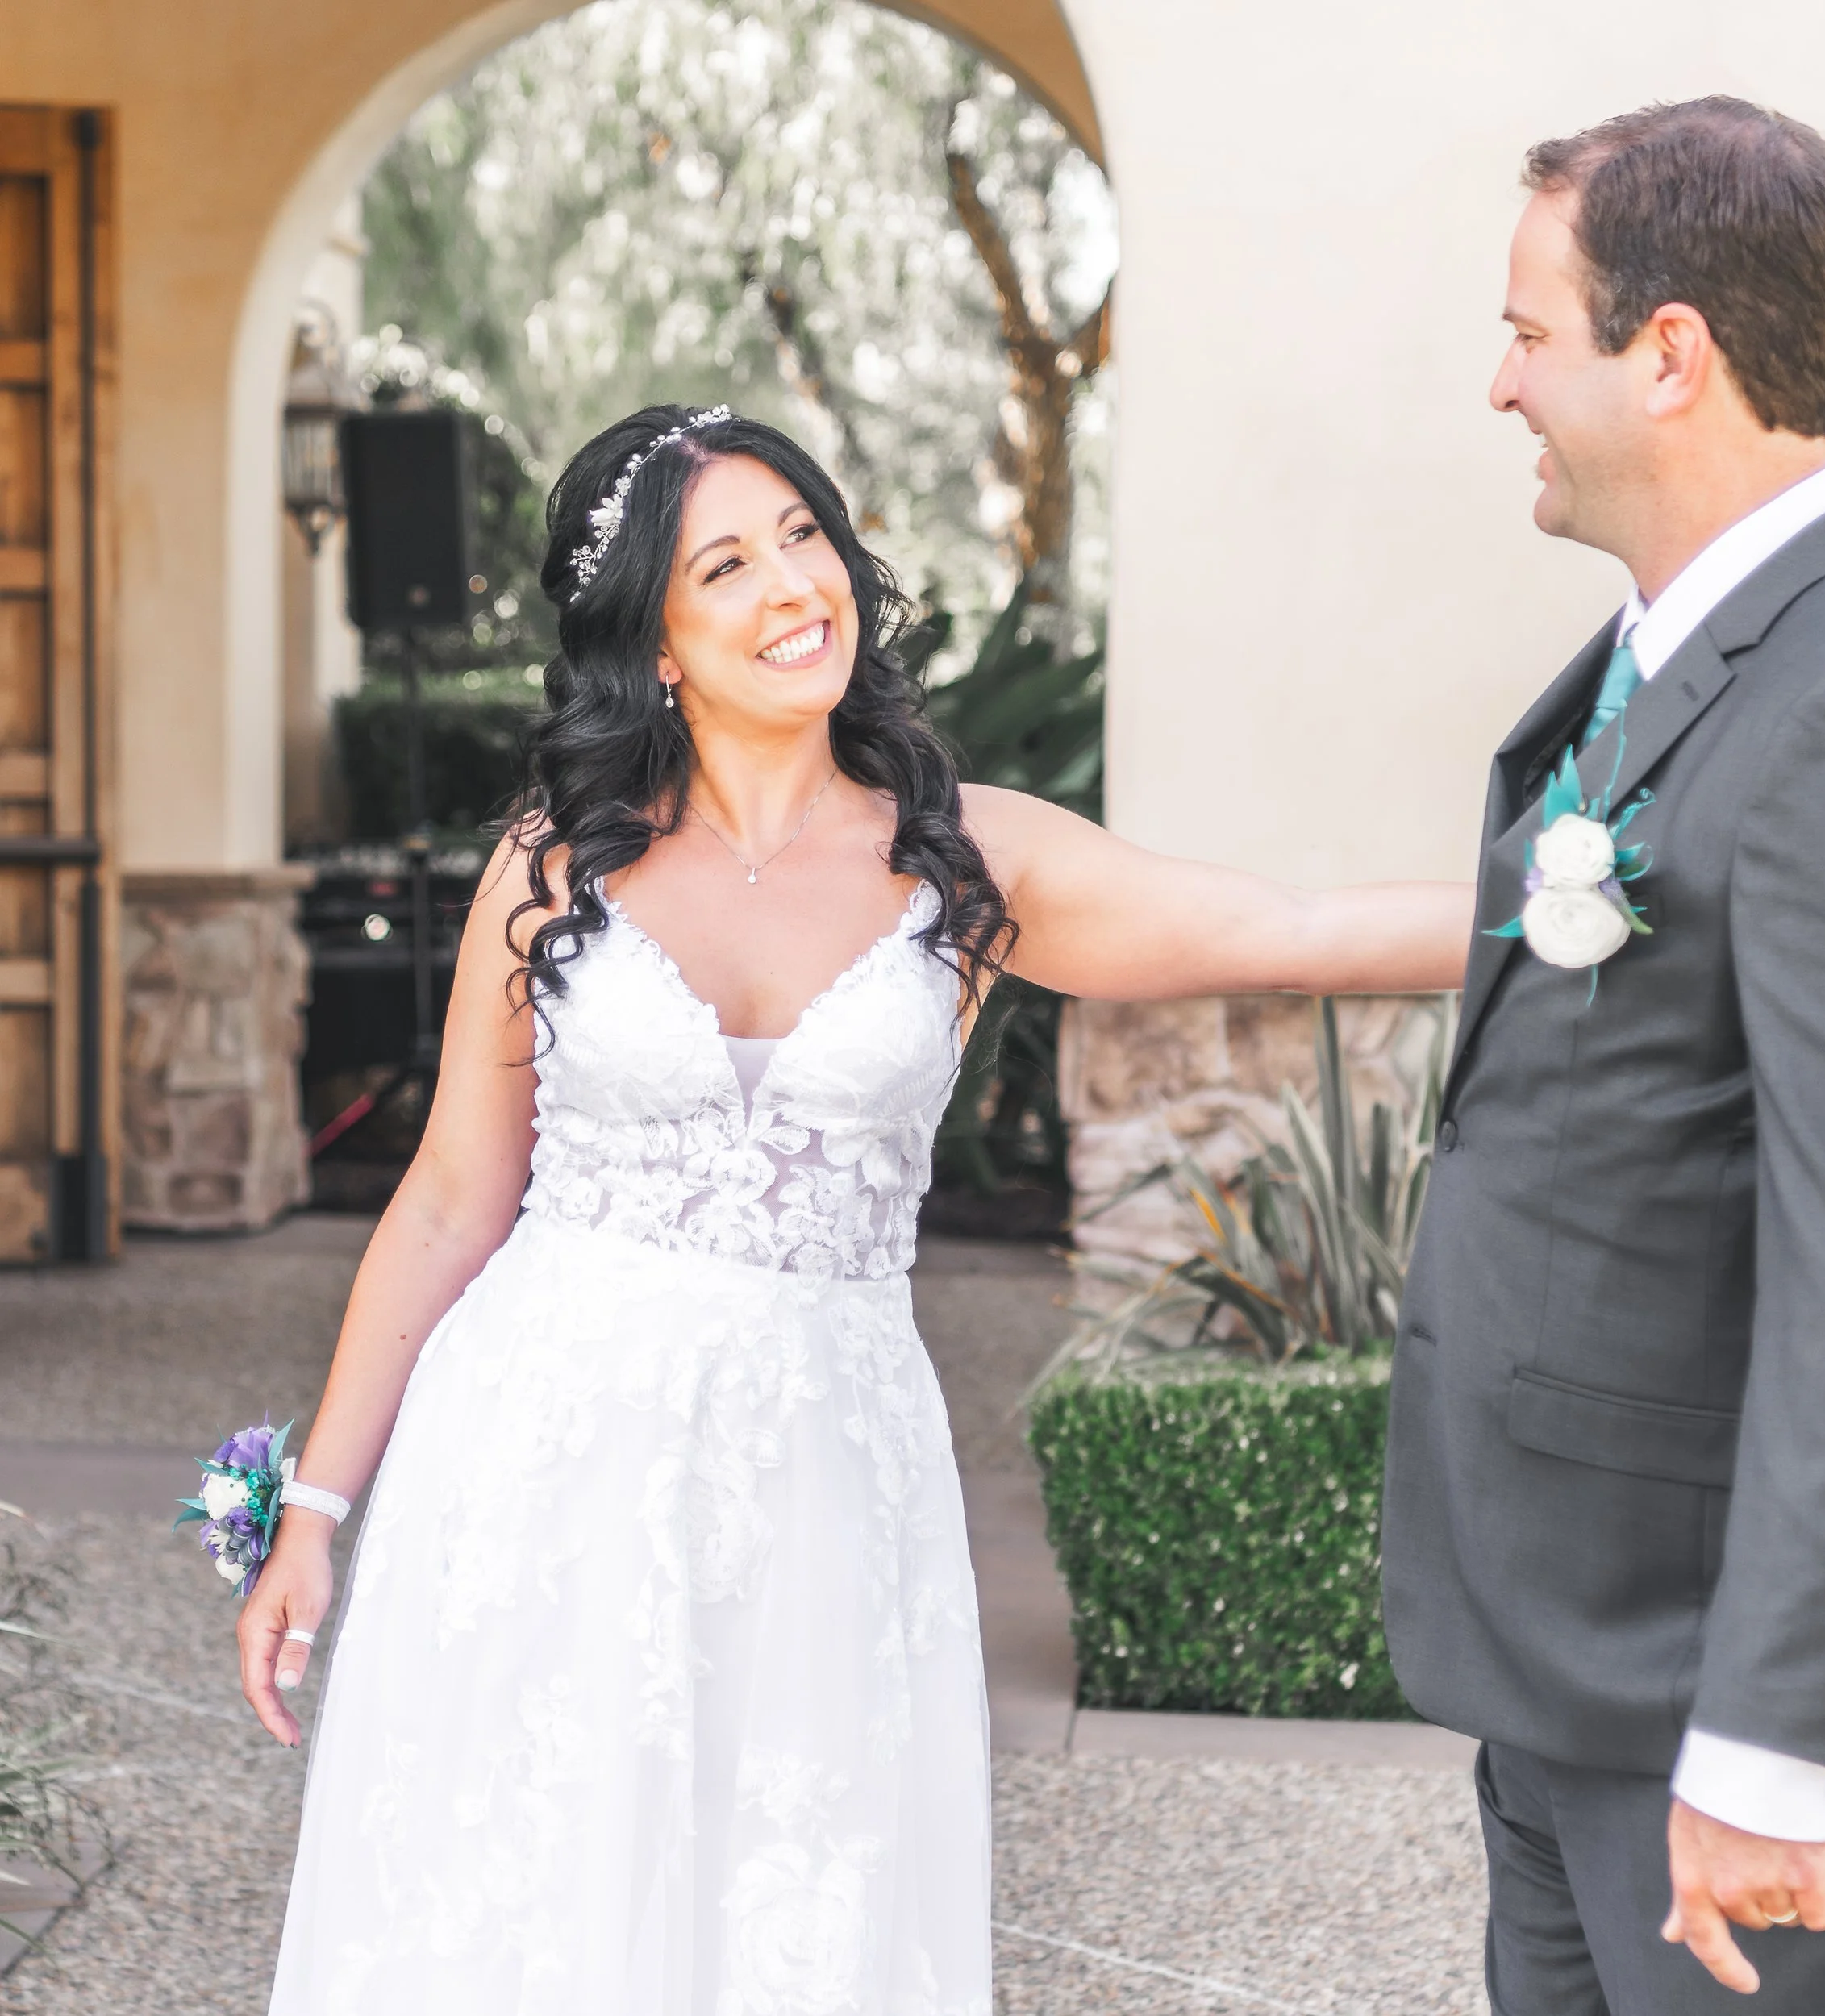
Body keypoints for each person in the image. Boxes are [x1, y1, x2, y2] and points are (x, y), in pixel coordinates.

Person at [242, 402, 1470, 2012]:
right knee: (530, 1901)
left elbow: (1289, 925)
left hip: (825, 1473)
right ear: (657, 643)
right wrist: (316, 1512)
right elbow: (450, 1198)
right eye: (728, 565)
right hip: (547, 1460)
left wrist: (1588, 901)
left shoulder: (963, 861)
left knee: (796, 1908)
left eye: (804, 537)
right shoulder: (553, 866)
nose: (790, 588)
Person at [1380, 96, 1825, 2014]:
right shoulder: (1668, 654)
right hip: (1580, 1657)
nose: (1497, 385)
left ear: (1670, 354)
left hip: (1723, 1693)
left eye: (1526, 332)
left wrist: (1764, 1750)